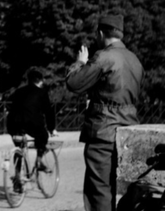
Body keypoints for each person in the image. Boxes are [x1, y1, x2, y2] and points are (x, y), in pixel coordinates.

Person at [66, 14, 143, 211]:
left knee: (100, 191)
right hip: (130, 132)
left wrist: (80, 63)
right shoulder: (135, 60)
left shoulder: (103, 57)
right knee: (127, 189)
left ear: (101, 33)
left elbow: (74, 84)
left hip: (103, 132)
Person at [6, 68, 57, 168]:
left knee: (19, 148)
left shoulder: (19, 91)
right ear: (40, 80)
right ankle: (39, 161)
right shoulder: (42, 93)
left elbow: (9, 105)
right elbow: (49, 112)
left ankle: (17, 177)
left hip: (13, 124)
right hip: (31, 124)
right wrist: (51, 128)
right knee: (43, 136)